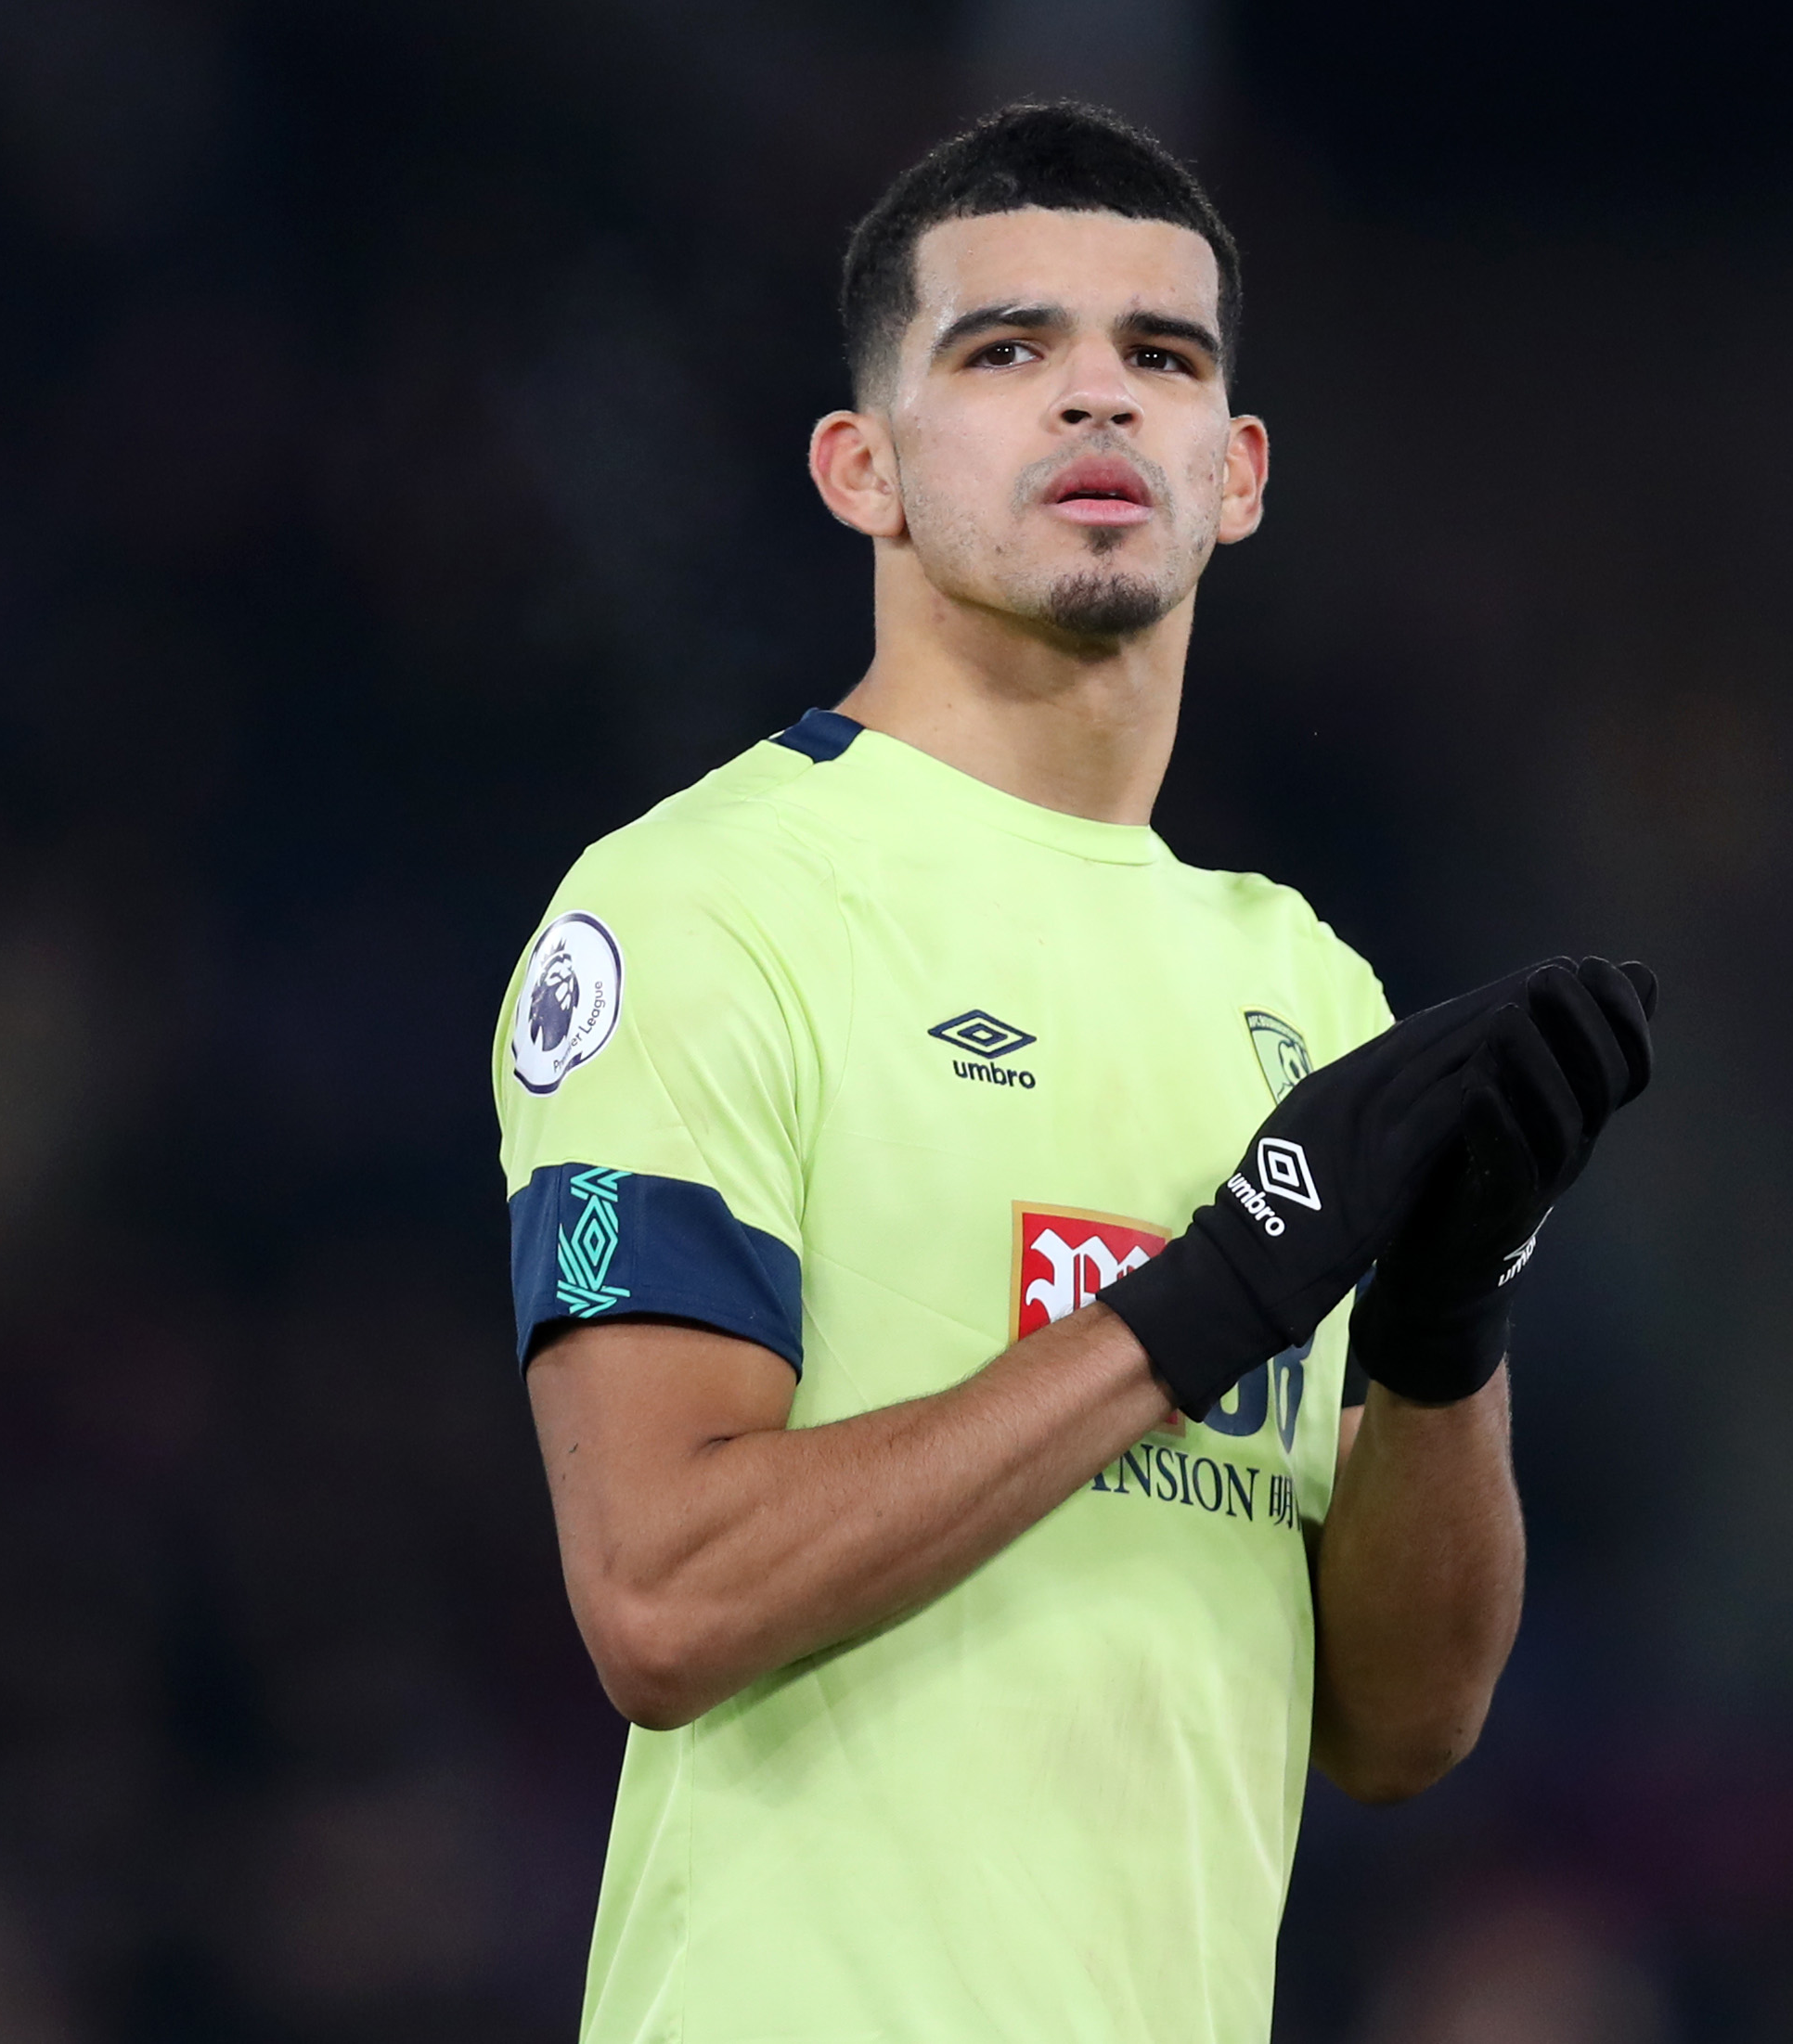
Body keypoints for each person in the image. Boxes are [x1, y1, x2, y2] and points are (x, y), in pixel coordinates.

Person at [492, 101, 1655, 2044]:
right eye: (1006, 350)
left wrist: (1443, 1328)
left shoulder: (1300, 985)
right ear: (861, 467)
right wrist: (1209, 1294)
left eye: (1162, 359)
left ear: (1240, 474)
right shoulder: (700, 908)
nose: (1095, 399)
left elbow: (1399, 1721)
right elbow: (661, 1598)